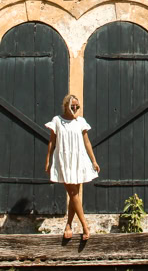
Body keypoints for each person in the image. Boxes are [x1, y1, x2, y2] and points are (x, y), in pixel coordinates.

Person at [45, 94, 100, 240]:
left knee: (74, 194)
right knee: (73, 193)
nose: (75, 108)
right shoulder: (57, 121)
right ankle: (85, 226)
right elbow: (52, 142)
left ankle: (68, 225)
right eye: (72, 105)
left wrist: (94, 161)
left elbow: (87, 142)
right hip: (64, 160)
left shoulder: (81, 121)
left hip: (78, 160)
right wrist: (48, 160)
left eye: (77, 106)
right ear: (66, 106)